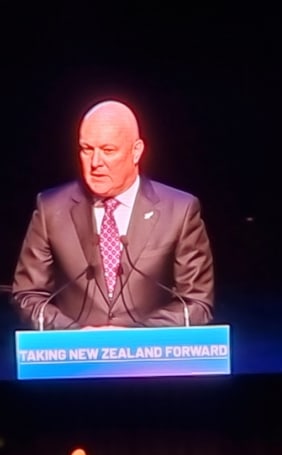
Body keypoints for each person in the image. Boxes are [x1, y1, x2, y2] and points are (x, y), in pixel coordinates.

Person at [12, 99, 215, 329]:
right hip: (75, 357)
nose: (95, 162)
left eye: (108, 150)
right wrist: (74, 335)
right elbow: (28, 296)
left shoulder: (180, 210)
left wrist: (131, 338)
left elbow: (197, 302)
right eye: (87, 149)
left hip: (153, 358)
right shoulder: (50, 208)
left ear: (136, 151)